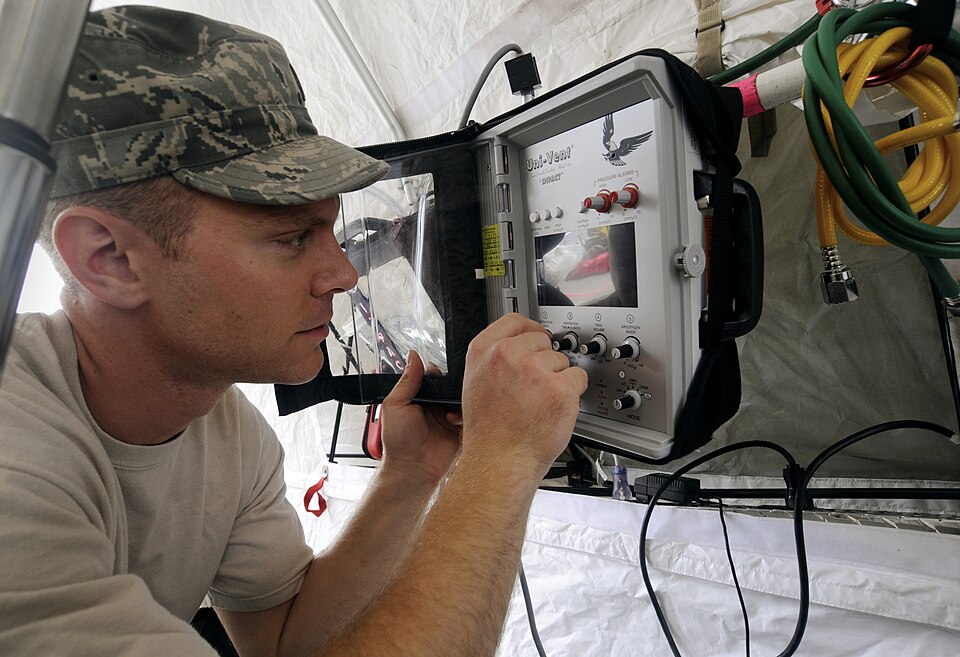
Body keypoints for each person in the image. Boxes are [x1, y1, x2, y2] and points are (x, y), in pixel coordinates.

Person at [0, 6, 587, 657]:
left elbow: (284, 641)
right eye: (291, 236)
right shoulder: (12, 462)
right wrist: (500, 463)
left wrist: (412, 471)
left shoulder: (228, 434)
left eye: (330, 230)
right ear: (109, 258)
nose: (340, 273)